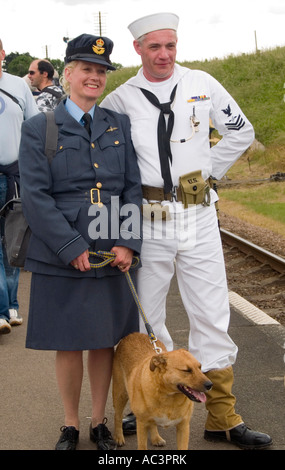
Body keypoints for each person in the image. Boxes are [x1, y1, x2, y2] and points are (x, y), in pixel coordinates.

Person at [101, 13, 272, 449]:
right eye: (155, 47)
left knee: (212, 311)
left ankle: (222, 417)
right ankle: (148, 411)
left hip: (196, 211)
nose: (164, 55)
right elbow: (109, 162)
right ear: (138, 49)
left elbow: (241, 131)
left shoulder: (203, 83)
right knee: (146, 317)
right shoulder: (121, 100)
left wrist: (205, 174)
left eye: (171, 46)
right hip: (150, 216)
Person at [19, 34, 142, 450]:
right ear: (68, 73)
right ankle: (70, 424)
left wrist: (128, 242)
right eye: (87, 69)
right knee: (68, 341)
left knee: (104, 340)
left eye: (102, 71)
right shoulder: (39, 127)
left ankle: (99, 422)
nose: (94, 77)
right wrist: (69, 245)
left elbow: (131, 188)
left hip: (111, 240)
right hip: (61, 246)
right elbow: (35, 195)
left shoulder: (117, 123)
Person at [0, 38, 38, 335]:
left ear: (2, 53)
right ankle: (2, 309)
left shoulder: (18, 85)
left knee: (13, 244)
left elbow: (35, 125)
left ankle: (12, 306)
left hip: (15, 176)